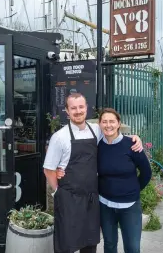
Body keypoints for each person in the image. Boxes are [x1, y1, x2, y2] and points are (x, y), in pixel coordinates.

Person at [43, 93, 143, 253]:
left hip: (91, 198)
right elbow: (48, 169)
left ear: (86, 108)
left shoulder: (96, 130)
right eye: (73, 108)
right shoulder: (59, 137)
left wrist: (134, 138)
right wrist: (57, 192)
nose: (78, 111)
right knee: (65, 244)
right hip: (69, 199)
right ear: (67, 111)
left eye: (81, 107)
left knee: (90, 243)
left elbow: (114, 134)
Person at [98, 108, 152, 253]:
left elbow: (146, 172)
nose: (108, 125)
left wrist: (133, 190)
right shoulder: (97, 146)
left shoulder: (132, 145)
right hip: (105, 205)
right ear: (100, 124)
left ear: (119, 124)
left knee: (132, 248)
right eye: (104, 122)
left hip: (130, 206)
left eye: (112, 121)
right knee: (109, 245)